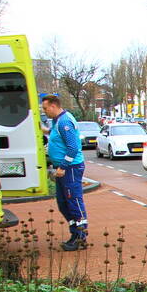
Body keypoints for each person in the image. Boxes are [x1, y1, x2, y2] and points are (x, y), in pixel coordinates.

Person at [40, 95, 88, 251]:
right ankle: (75, 233)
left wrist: (63, 166)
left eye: (45, 108)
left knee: (73, 200)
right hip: (65, 168)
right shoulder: (57, 121)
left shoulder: (65, 122)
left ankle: (80, 237)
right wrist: (45, 131)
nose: (44, 111)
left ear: (53, 106)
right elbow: (58, 137)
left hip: (70, 169)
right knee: (63, 203)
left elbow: (73, 147)